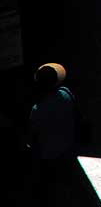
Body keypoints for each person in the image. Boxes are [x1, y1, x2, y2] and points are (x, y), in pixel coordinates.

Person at [29, 63, 78, 204]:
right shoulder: (65, 93)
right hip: (69, 142)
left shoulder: (37, 110)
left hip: (50, 152)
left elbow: (35, 133)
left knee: (53, 176)